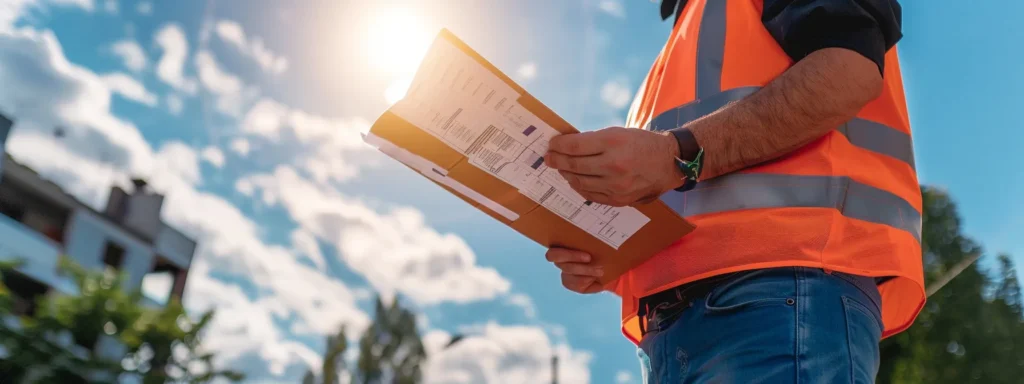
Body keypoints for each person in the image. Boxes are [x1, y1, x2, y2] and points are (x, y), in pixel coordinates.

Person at [543, 0, 922, 382]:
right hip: (678, 328)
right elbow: (684, 186)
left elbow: (848, 71)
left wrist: (674, 156)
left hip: (777, 294)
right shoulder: (687, 34)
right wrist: (617, 258)